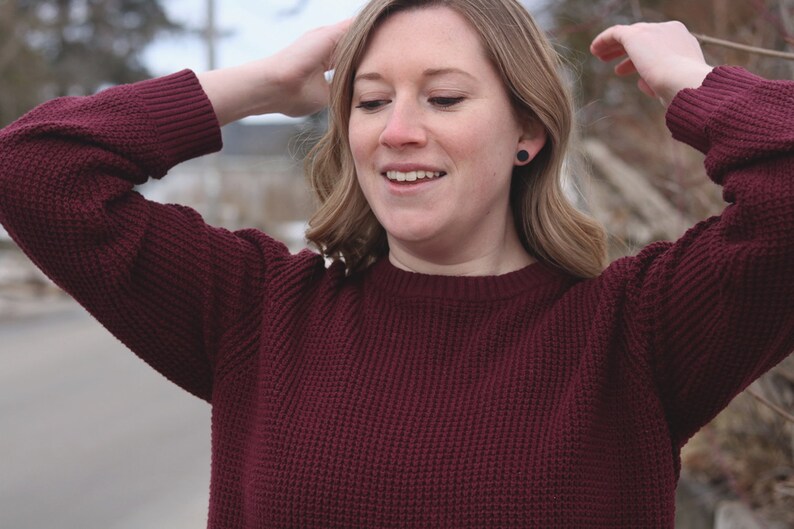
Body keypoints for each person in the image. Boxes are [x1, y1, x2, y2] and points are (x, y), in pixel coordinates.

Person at [0, 0, 791, 526]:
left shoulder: (636, 334)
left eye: (443, 98)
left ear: (528, 132)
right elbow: (34, 170)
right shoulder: (258, 311)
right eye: (371, 101)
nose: (396, 131)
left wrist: (695, 83)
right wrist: (259, 83)